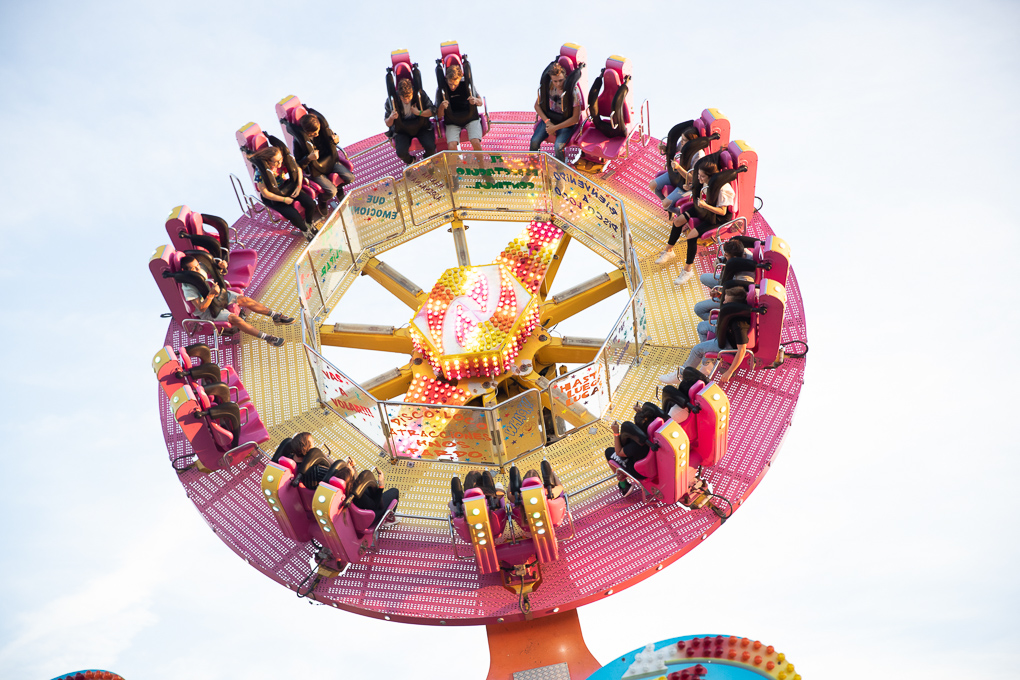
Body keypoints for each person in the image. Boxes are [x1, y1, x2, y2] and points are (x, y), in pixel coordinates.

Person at [179, 255, 291, 346]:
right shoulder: (188, 287)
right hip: (209, 310)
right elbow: (202, 308)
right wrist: (211, 294)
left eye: (197, 265)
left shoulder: (201, 268)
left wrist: (222, 266)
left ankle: (276, 316)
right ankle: (268, 338)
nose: (198, 269)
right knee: (235, 319)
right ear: (186, 271)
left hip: (219, 296)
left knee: (245, 300)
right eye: (194, 268)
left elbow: (221, 272)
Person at [654, 162, 737, 285]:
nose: (699, 178)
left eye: (702, 176)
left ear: (710, 175)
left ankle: (687, 270)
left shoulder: (724, 189)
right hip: (705, 208)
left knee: (691, 236)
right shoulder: (706, 181)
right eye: (699, 175)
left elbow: (722, 211)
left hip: (717, 217)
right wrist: (691, 188)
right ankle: (669, 251)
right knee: (678, 221)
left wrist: (705, 206)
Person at [660, 284, 750, 384]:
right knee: (701, 326)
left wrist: (729, 372)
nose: (723, 302)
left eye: (726, 302)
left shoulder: (739, 324)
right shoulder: (734, 312)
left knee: (697, 349)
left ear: (733, 306)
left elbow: (742, 350)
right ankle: (707, 364)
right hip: (724, 331)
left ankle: (681, 375)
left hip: (728, 343)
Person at [249, 146, 322, 236]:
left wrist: (298, 186)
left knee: (310, 203)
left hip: (286, 187)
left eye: (280, 159)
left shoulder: (283, 162)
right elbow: (265, 193)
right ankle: (305, 230)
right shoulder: (260, 173)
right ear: (268, 161)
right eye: (276, 162)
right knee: (294, 215)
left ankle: (309, 222)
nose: (280, 163)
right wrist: (284, 200)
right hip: (273, 197)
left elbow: (297, 168)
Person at [294, 112, 355, 208]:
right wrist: (308, 158)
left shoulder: (322, 131)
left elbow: (332, 139)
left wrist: (336, 139)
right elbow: (298, 164)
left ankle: (339, 187)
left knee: (350, 177)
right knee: (331, 191)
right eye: (314, 133)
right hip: (315, 169)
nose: (317, 134)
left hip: (330, 161)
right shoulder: (298, 142)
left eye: (318, 131)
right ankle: (323, 199)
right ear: (307, 132)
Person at [530, 63, 583, 162]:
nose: (558, 84)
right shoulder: (548, 87)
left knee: (558, 147)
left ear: (565, 78)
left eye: (561, 80)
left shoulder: (573, 91)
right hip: (550, 119)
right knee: (534, 141)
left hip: (566, 122)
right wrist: (547, 122)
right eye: (555, 81)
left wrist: (555, 128)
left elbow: (575, 118)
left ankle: (560, 169)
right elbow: (536, 105)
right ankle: (533, 164)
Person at [693, 239, 756, 321]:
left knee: (699, 308)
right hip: (729, 281)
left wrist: (720, 295)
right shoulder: (742, 251)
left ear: (734, 258)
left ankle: (717, 322)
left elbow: (735, 296)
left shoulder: (744, 277)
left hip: (732, 294)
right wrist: (721, 260)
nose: (724, 256)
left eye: (726, 255)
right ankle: (717, 294)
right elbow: (728, 258)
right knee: (704, 278)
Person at [385, 78, 436, 164]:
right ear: (400, 96)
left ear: (412, 93)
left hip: (421, 127)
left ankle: (426, 161)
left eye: (409, 98)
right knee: (401, 152)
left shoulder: (420, 95)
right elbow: (387, 123)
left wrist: (419, 113)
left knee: (431, 147)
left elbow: (433, 111)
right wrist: (391, 118)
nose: (407, 101)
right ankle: (411, 161)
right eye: (404, 99)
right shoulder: (392, 100)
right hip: (403, 131)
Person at [648, 127, 699, 211]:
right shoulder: (683, 144)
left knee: (666, 204)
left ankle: (680, 214)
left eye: (684, 140)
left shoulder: (698, 155)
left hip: (686, 183)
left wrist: (678, 167)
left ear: (692, 142)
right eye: (681, 139)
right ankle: (667, 206)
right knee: (653, 185)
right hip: (677, 175)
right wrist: (664, 148)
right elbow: (675, 149)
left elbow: (691, 178)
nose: (681, 142)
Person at [436, 64, 484, 151]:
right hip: (452, 121)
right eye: (450, 84)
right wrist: (442, 107)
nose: (452, 87)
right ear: (446, 79)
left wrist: (475, 100)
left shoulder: (467, 84)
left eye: (455, 84)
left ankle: (481, 164)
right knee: (451, 145)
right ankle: (455, 164)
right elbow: (439, 115)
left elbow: (480, 102)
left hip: (470, 118)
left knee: (475, 141)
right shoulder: (441, 90)